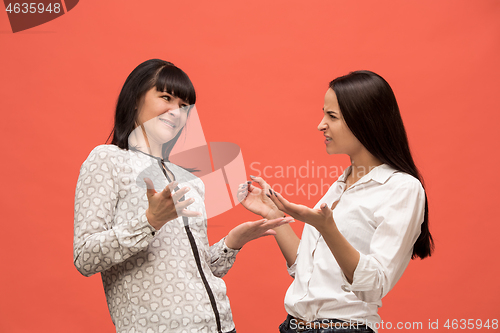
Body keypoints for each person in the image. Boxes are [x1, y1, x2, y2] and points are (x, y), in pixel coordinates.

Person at [73, 59, 291, 333]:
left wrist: (232, 243)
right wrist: (150, 222)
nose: (176, 112)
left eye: (184, 106)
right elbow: (85, 257)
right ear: (135, 99)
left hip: (222, 326)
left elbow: (194, 273)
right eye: (166, 97)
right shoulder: (106, 160)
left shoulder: (190, 180)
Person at [238, 70, 434, 333]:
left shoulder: (402, 188)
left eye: (332, 117)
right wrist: (273, 214)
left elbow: (373, 285)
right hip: (292, 326)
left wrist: (327, 228)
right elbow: (309, 272)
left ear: (364, 122)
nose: (321, 125)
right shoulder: (340, 186)